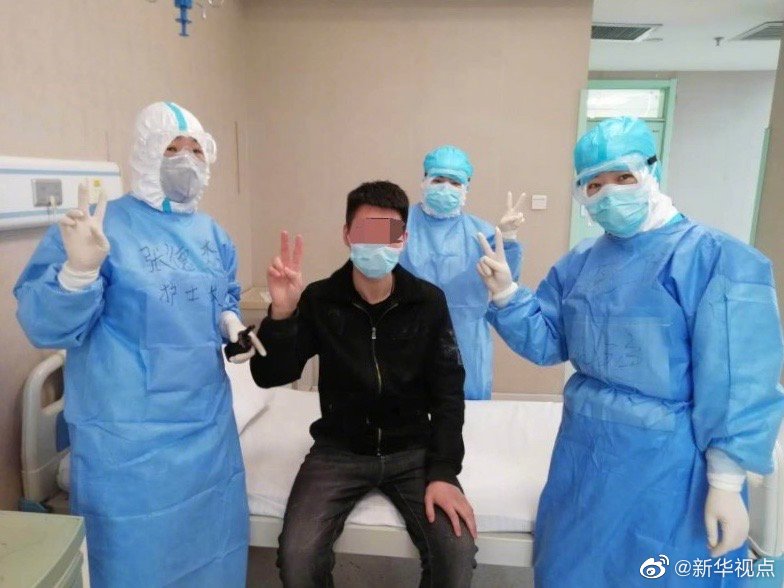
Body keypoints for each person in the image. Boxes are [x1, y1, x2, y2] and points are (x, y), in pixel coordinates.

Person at [476, 116, 784, 586]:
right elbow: (549, 342)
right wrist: (507, 295)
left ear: (651, 171)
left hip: (670, 466)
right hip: (584, 453)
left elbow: (739, 378)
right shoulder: (580, 263)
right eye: (594, 185)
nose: (610, 193)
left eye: (623, 177)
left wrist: (725, 479)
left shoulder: (713, 257)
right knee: (570, 570)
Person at [14, 102, 263, 587]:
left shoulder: (213, 235)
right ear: (147, 152)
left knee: (211, 552)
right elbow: (46, 326)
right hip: (128, 443)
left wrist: (231, 324)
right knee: (136, 562)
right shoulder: (100, 226)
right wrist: (78, 272)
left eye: (196, 150)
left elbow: (220, 297)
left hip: (207, 431)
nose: (186, 160)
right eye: (172, 149)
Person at [243, 180, 477, 587]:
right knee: (297, 558)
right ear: (347, 234)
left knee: (455, 555)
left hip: (412, 450)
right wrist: (281, 314)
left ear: (403, 239)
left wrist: (443, 470)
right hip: (339, 450)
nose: (378, 243)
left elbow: (448, 393)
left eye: (390, 232)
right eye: (367, 231)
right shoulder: (320, 299)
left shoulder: (427, 302)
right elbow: (271, 375)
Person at [399, 145, 524, 400]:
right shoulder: (398, 224)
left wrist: (508, 239)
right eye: (438, 180)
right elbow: (362, 247)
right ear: (424, 181)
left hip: (466, 339)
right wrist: (371, 218)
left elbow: (507, 279)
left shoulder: (481, 232)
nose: (446, 188)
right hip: (406, 331)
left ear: (466, 188)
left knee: (466, 408)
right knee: (404, 404)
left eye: (455, 182)